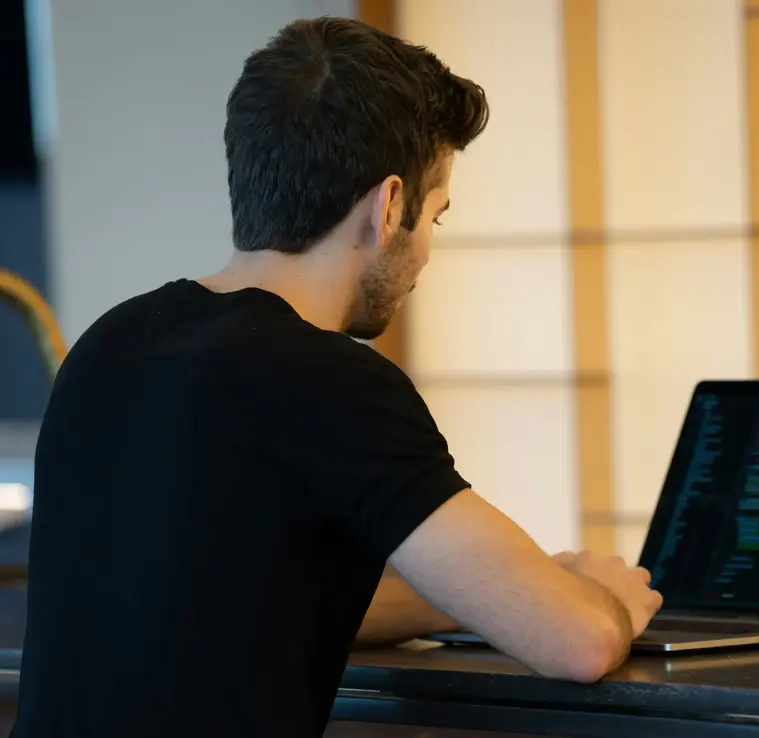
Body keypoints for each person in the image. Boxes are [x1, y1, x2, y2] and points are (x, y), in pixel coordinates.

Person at [13, 16, 663, 738]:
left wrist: (474, 598)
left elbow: (231, 596)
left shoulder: (114, 341)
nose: (425, 256)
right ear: (388, 207)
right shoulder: (330, 382)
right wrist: (603, 596)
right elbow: (578, 643)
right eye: (435, 219)